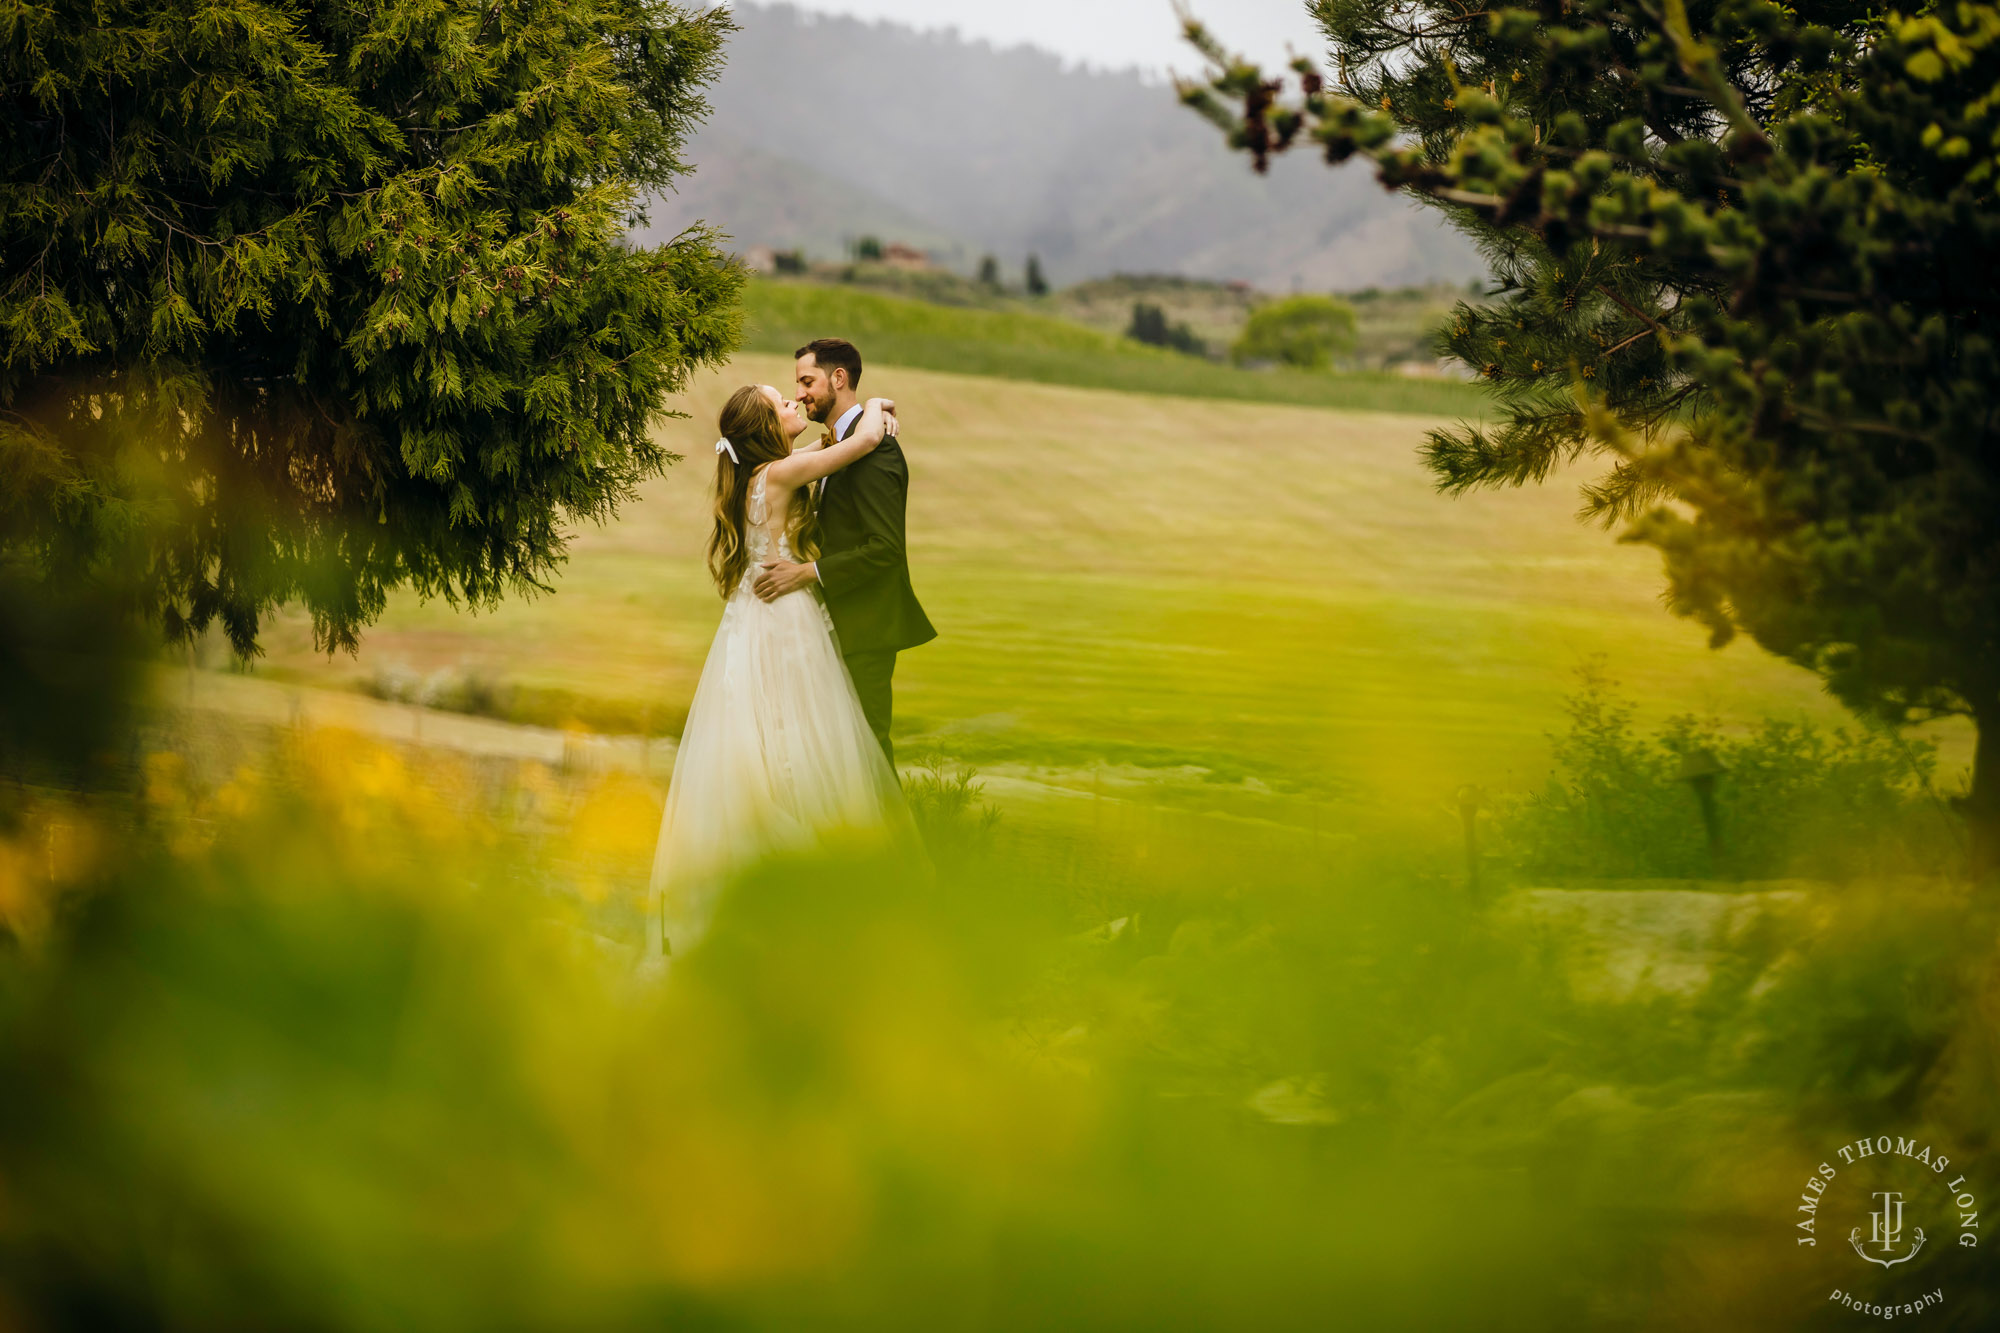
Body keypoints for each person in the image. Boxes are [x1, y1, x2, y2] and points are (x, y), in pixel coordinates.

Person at [648, 384, 913, 955]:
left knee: (771, 733)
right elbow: (863, 440)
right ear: (768, 426)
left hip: (751, 620)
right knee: (807, 733)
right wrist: (878, 408)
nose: (794, 404)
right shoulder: (779, 475)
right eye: (781, 404)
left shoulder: (763, 476)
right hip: (786, 619)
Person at [752, 338, 935, 766]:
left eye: (806, 381)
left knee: (869, 753)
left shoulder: (876, 448)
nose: (799, 394)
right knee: (838, 756)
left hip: (866, 628)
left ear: (839, 378)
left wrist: (806, 573)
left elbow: (884, 548)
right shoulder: (845, 444)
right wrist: (878, 404)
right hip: (834, 624)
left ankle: (894, 835)